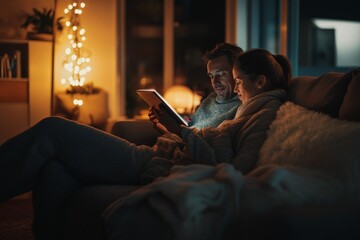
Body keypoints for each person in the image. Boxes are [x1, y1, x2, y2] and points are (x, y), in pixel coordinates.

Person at [0, 48, 291, 239]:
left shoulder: (257, 113)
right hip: (157, 157)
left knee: (53, 129)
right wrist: (172, 129)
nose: (232, 86)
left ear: (259, 81)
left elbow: (229, 168)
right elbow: (203, 142)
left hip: (154, 165)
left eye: (234, 79)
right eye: (213, 76)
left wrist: (183, 132)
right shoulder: (246, 107)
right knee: (54, 168)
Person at [186, 42, 243, 128]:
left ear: (237, 73)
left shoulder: (242, 106)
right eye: (211, 76)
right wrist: (182, 119)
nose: (214, 82)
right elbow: (190, 121)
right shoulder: (210, 99)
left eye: (220, 74)